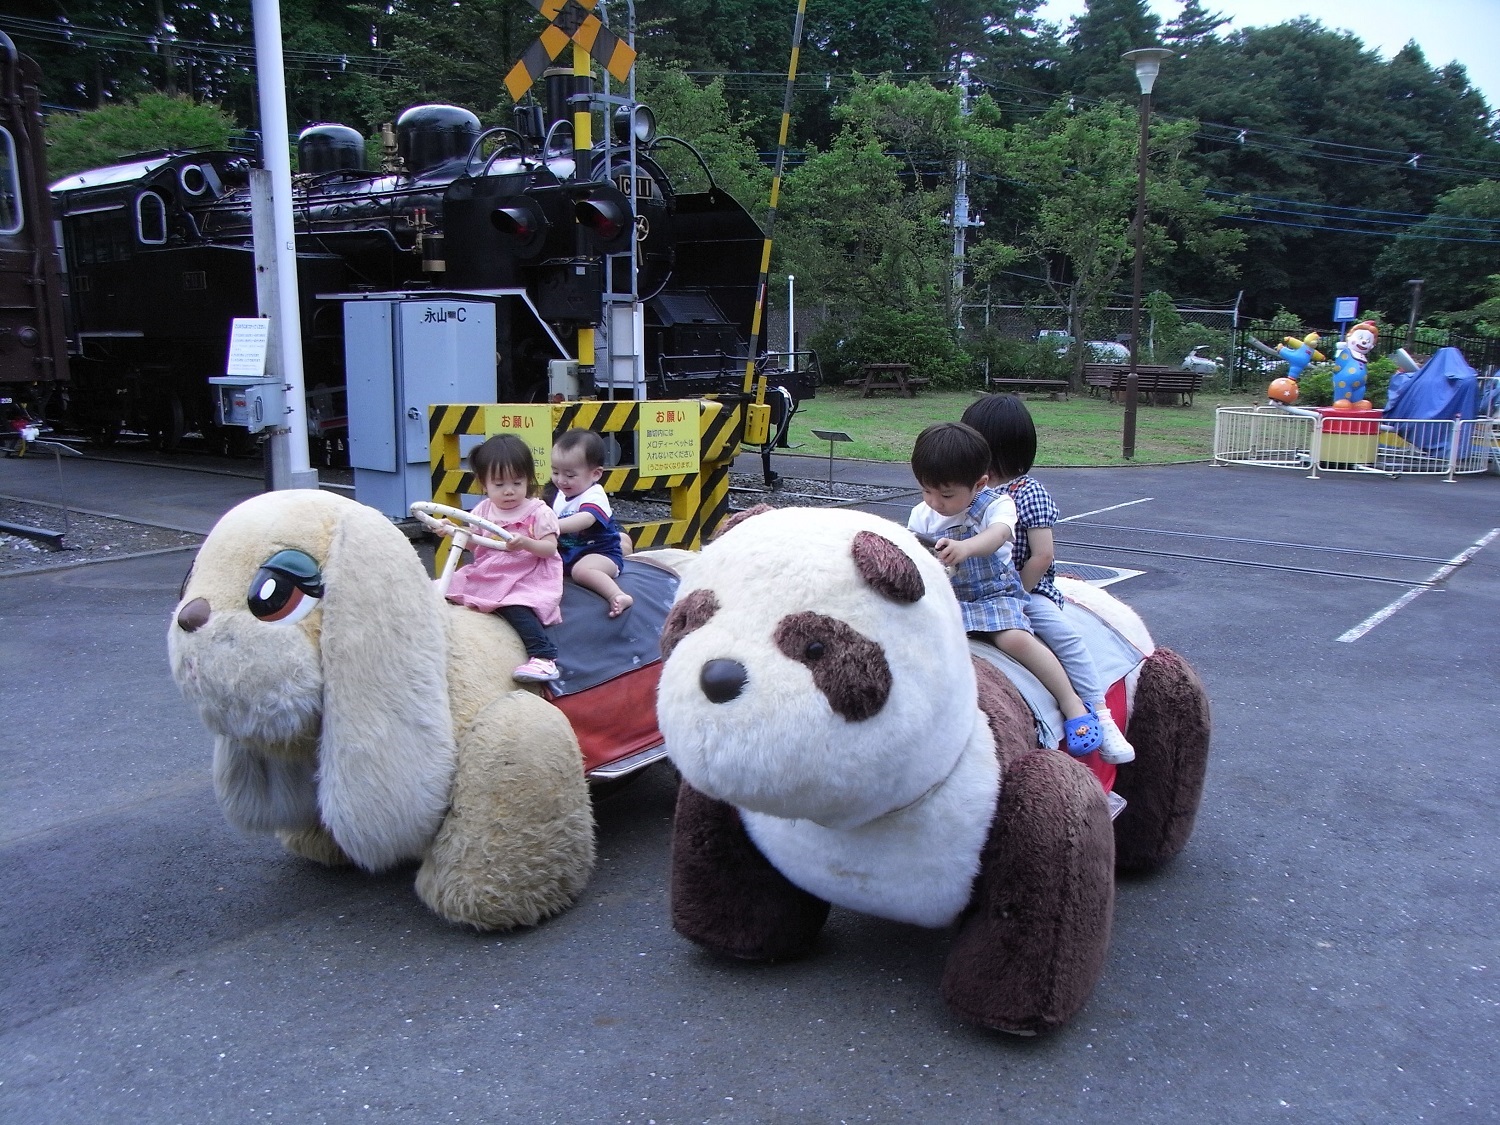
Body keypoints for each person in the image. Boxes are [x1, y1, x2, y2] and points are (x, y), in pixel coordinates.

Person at [907, 422, 1102, 758]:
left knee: (1013, 639)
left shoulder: (997, 506)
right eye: (926, 491)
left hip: (993, 593)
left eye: (947, 494)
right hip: (950, 595)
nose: (935, 502)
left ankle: (1073, 704)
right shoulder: (922, 515)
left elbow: (997, 535)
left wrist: (965, 548)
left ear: (979, 483)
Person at [960, 394, 1134, 764]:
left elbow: (1042, 555)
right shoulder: (973, 489)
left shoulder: (1028, 492)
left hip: (1023, 589)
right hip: (974, 592)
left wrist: (1016, 595)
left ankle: (1099, 713)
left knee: (1063, 635)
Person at [440, 433, 564, 683]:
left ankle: (543, 656)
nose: (509, 491)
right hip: (491, 570)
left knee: (514, 605)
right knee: (442, 587)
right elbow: (472, 538)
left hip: (527, 573)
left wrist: (526, 543)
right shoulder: (484, 510)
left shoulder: (538, 512)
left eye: (517, 483)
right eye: (499, 485)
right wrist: (449, 530)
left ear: (528, 480)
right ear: (484, 484)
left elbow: (550, 549)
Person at [550, 428, 633, 618]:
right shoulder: (562, 495)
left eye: (570, 475)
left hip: (601, 554)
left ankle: (618, 595)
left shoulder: (594, 494)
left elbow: (586, 519)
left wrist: (552, 525)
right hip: (570, 553)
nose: (561, 480)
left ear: (595, 474)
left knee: (582, 570)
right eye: (555, 472)